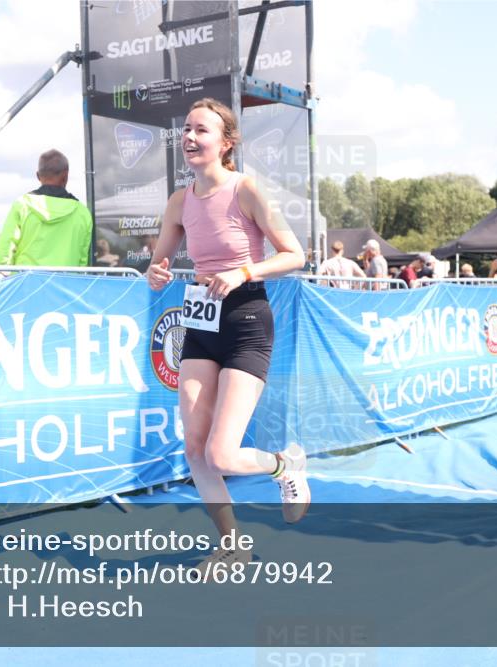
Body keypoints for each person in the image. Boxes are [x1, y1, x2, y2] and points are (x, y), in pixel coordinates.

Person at [144, 98, 308, 568]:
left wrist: (244, 272)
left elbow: (294, 254)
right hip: (200, 320)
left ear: (226, 143)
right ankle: (232, 544)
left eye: (201, 131)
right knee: (194, 446)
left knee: (222, 452)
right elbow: (160, 262)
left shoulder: (247, 190)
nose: (190, 138)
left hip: (246, 320)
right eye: (187, 130)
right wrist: (156, 274)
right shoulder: (179, 200)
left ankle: (284, 465)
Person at [0, 149, 93, 267]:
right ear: (66, 175)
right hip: (66, 283)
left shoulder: (22, 205)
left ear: (38, 176)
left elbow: (2, 255)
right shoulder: (82, 212)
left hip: (27, 282)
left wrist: (14, 274)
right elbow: (83, 260)